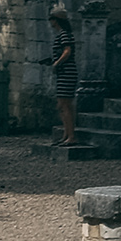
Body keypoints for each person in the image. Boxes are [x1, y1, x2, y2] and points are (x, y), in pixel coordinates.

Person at [46, 12, 78, 149]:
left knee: (65, 105)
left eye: (52, 19)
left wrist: (57, 63)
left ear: (56, 20)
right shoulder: (63, 35)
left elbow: (67, 51)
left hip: (67, 73)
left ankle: (71, 136)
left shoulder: (64, 35)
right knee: (62, 105)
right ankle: (66, 134)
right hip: (64, 73)